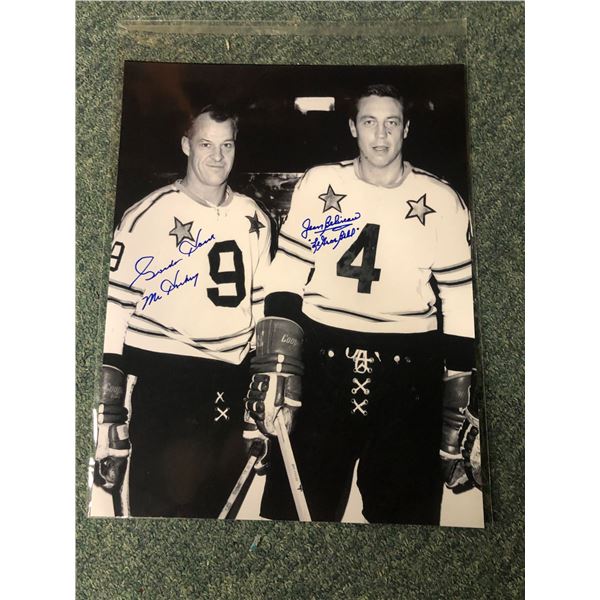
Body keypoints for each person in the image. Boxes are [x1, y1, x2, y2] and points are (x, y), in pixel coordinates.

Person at [246, 84, 478, 524]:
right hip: (322, 361)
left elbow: (458, 298)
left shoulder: (444, 200)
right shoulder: (322, 183)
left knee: (406, 524)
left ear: (406, 129)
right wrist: (277, 366)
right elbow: (288, 273)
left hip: (409, 368)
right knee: (296, 515)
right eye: (369, 122)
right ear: (353, 127)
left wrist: (456, 389)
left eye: (392, 123)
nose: (381, 135)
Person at [93, 105, 272, 517]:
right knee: (158, 513)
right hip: (165, 377)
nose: (217, 156)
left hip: (228, 379)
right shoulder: (148, 215)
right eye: (206, 144)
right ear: (185, 145)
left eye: (227, 145)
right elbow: (114, 312)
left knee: (216, 512)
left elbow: (262, 308)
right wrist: (111, 408)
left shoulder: (254, 216)